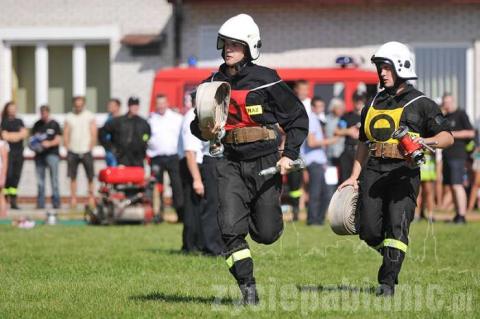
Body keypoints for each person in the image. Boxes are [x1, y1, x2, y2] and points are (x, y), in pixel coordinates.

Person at [190, 14, 308, 304]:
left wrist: (289, 154)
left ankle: (263, 222)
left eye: (235, 44)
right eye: (225, 44)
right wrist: (205, 128)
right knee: (229, 230)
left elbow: (297, 118)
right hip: (228, 162)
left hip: (265, 161)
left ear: (250, 47)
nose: (228, 49)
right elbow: (196, 126)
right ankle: (248, 289)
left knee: (267, 233)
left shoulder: (267, 80)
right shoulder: (211, 82)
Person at [339, 41, 453, 297]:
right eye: (380, 67)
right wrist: (354, 176)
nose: (382, 73)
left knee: (397, 226)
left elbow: (448, 136)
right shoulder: (373, 103)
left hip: (404, 171)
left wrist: (426, 141)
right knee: (367, 229)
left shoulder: (422, 102)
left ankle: (387, 282)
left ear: (401, 67)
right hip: (373, 171)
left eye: (387, 67)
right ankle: (392, 255)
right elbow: (362, 143)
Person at [180, 106, 225, 255]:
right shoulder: (193, 117)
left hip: (218, 161)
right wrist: (197, 179)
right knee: (208, 207)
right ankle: (208, 247)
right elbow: (190, 152)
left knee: (217, 206)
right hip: (205, 163)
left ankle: (210, 244)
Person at [147, 94, 184, 222]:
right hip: (156, 157)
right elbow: (146, 137)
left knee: (177, 186)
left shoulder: (177, 118)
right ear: (156, 105)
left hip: (174, 157)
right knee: (157, 188)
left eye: (163, 103)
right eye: (159, 103)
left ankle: (181, 214)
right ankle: (158, 215)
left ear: (167, 103)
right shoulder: (151, 119)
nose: (161, 106)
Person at [302, 97, 338, 225]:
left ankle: (318, 220)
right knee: (316, 193)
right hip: (314, 162)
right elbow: (311, 142)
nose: (322, 109)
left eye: (323, 106)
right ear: (313, 107)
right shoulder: (311, 119)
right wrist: (330, 141)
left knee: (325, 193)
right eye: (319, 106)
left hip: (320, 162)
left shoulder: (316, 119)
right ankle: (313, 220)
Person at [441, 93, 475, 223]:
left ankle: (462, 215)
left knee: (457, 185)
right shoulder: (444, 117)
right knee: (451, 186)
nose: (447, 105)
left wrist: (452, 134)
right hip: (447, 155)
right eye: (445, 103)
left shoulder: (461, 114)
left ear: (453, 102)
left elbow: (471, 132)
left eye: (449, 102)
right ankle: (457, 215)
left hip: (458, 156)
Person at [64, 96, 97, 208]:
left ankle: (91, 198)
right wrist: (68, 147)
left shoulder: (89, 116)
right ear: (74, 105)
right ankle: (73, 198)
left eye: (80, 105)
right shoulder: (69, 117)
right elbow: (66, 133)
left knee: (90, 176)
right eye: (77, 105)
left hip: (86, 150)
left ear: (84, 105)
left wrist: (90, 146)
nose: (79, 107)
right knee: (73, 177)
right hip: (73, 150)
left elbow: (94, 133)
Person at [100, 97, 150, 167]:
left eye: (136, 106)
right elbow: (103, 132)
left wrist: (143, 142)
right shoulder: (119, 121)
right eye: (132, 106)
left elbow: (147, 135)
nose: (135, 108)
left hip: (138, 158)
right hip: (122, 157)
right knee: (122, 177)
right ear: (129, 106)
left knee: (137, 177)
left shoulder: (143, 122)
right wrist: (110, 148)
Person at [31, 105, 62, 209]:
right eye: (41, 113)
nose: (43, 115)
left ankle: (56, 203)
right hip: (39, 156)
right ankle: (41, 204)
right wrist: (36, 146)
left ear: (48, 113)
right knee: (40, 181)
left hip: (52, 154)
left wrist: (49, 143)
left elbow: (58, 139)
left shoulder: (54, 124)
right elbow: (32, 140)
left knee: (54, 180)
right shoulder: (37, 125)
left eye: (45, 113)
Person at [1, 101, 28, 209]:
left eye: (14, 107)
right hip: (8, 153)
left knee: (16, 175)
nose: (12, 110)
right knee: (9, 175)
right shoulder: (4, 122)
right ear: (7, 109)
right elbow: (5, 136)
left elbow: (24, 134)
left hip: (19, 152)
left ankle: (13, 199)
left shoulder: (19, 121)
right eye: (10, 108)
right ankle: (5, 198)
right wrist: (17, 135)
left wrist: (13, 136)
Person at [335, 91, 366, 184]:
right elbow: (337, 131)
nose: (358, 103)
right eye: (356, 100)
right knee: (345, 178)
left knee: (362, 179)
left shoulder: (367, 116)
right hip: (349, 151)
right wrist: (348, 131)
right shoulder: (346, 116)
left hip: (363, 151)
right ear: (353, 101)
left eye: (360, 100)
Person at [103, 98, 122, 167]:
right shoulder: (108, 119)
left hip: (118, 152)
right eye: (109, 105)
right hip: (109, 151)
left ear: (118, 107)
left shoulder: (122, 120)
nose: (109, 107)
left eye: (112, 105)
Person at [0, 135, 8, 217]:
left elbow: (5, 162)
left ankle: (3, 217)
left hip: (0, 173)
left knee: (1, 195)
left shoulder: (2, 144)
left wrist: (3, 176)